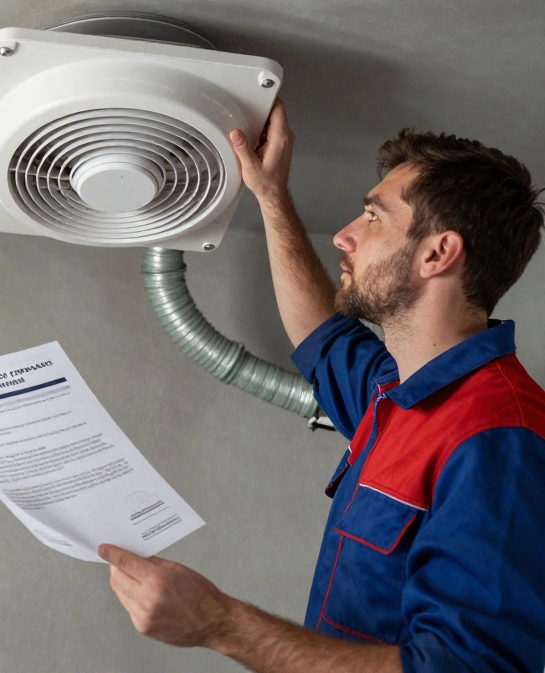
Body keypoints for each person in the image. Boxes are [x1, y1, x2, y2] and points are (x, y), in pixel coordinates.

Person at [98, 101, 545, 672]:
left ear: (438, 253)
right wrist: (270, 195)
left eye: (373, 217)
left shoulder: (499, 438)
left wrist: (221, 624)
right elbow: (320, 331)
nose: (343, 236)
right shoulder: (393, 394)